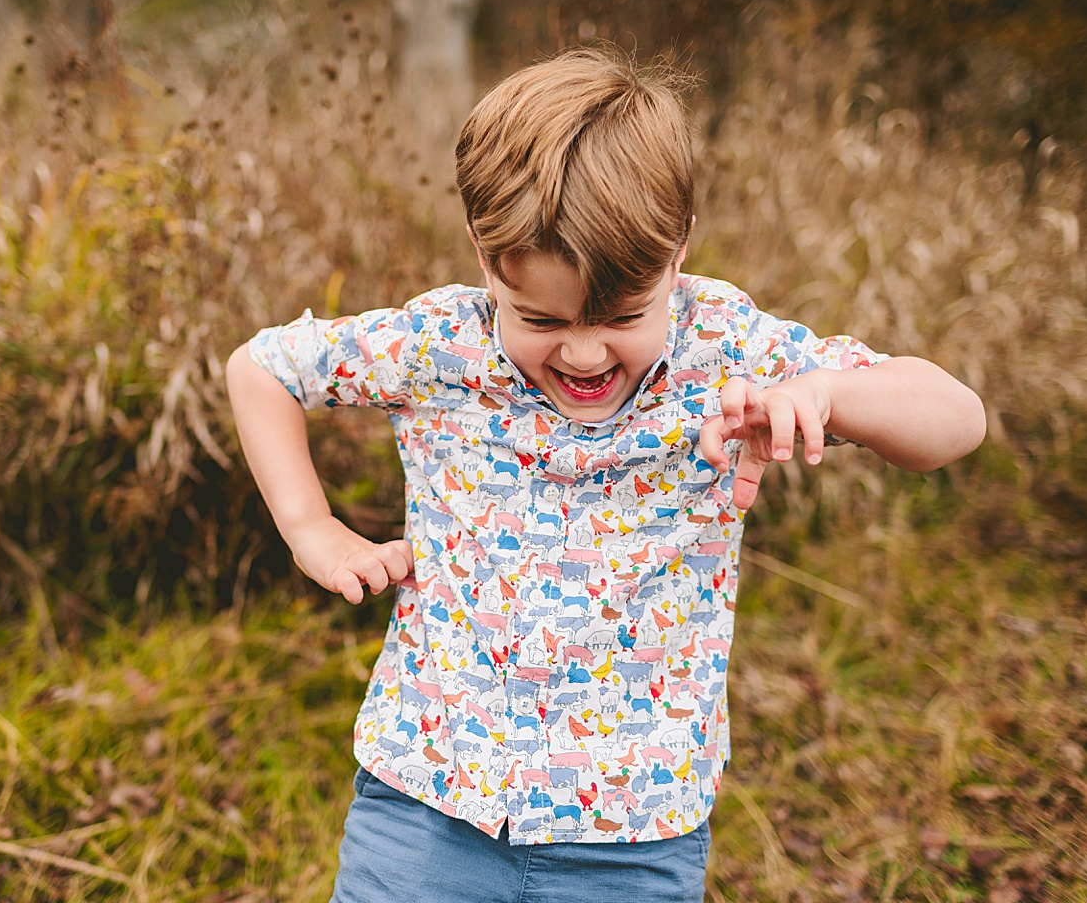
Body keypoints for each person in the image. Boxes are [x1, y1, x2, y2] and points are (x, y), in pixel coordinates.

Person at [226, 46, 985, 902]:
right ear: (486, 256)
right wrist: (310, 529)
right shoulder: (441, 346)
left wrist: (828, 394)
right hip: (424, 803)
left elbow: (956, 420)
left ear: (678, 248)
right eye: (542, 319)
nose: (583, 352)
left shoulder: (727, 348)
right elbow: (264, 368)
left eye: (623, 316)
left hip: (636, 832)